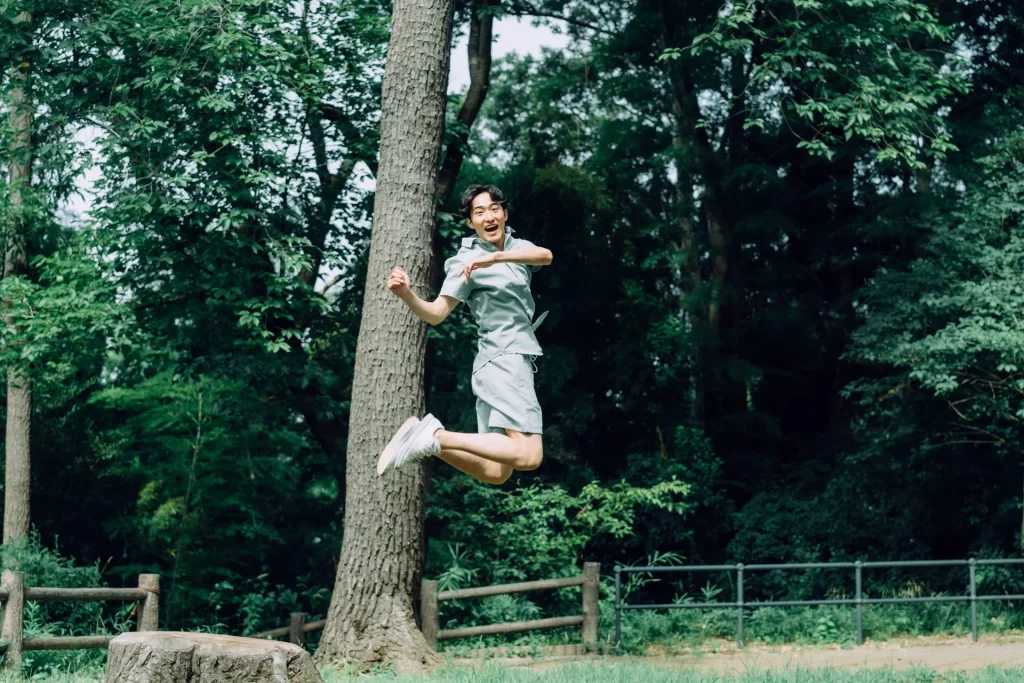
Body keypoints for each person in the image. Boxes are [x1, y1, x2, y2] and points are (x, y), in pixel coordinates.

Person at [376, 184, 552, 484]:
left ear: (505, 214)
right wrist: (406, 294)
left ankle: (429, 440)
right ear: (470, 222)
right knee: (529, 455)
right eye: (479, 212)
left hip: (501, 362)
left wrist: (496, 258)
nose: (489, 216)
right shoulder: (466, 261)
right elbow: (436, 313)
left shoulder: (517, 246)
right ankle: (434, 435)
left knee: (496, 472)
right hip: (504, 358)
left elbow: (545, 256)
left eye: (494, 208)